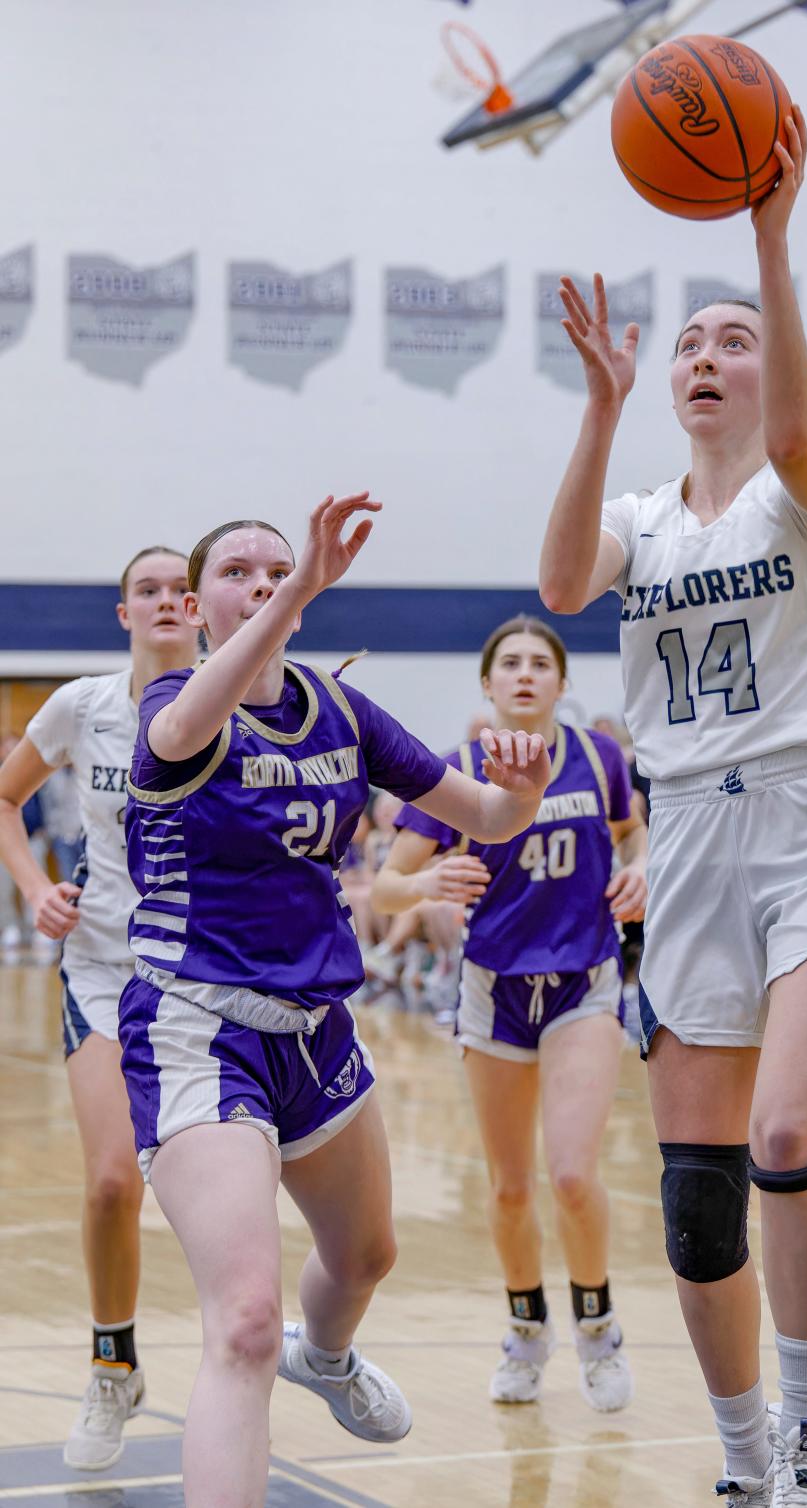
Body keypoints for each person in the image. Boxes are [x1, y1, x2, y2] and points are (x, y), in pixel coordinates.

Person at [539, 109, 807, 1507]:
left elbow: (799, 425)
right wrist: (597, 402)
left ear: (769, 374)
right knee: (697, 1214)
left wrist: (769, 237)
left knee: (786, 1138)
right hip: (686, 833)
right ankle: (746, 1452)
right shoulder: (645, 516)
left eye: (729, 341)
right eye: (691, 342)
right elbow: (565, 583)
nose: (705, 356)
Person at [117, 498, 552, 1508]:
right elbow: (189, 727)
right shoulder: (173, 706)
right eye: (239, 570)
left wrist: (520, 793)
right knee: (244, 1324)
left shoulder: (343, 711)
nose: (263, 579)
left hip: (317, 1031)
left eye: (280, 568)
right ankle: (282, 1363)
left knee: (366, 1254)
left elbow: (479, 813)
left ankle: (332, 1354)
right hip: (199, 1026)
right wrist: (306, 582)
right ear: (196, 602)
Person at [371, 615, 648, 1412]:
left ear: (561, 682)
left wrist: (643, 870)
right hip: (494, 990)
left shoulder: (599, 758)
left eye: (540, 663)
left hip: (583, 983)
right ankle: (527, 1327)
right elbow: (388, 884)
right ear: (488, 685)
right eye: (510, 665)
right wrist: (427, 887)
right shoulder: (456, 772)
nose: (525, 674)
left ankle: (597, 1324)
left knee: (570, 1173)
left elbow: (636, 837)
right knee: (508, 1189)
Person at [0, 547, 197, 1470]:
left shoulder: (236, 706)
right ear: (124, 613)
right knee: (115, 1180)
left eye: (179, 590)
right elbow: (6, 800)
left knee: (220, 1189)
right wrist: (34, 885)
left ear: (203, 611)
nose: (165, 601)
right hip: (103, 969)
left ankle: (279, 1340)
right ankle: (112, 1363)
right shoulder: (82, 706)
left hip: (210, 975)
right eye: (146, 590)